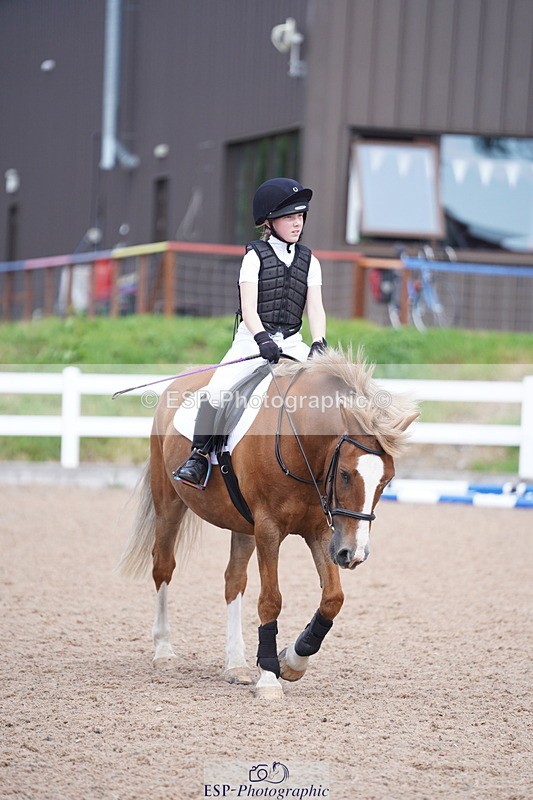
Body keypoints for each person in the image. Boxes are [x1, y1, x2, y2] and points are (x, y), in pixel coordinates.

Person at [173, 177, 327, 489]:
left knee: (329, 390)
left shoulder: (310, 260)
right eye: (289, 218)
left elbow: (315, 308)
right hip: (253, 340)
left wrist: (320, 342)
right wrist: (261, 338)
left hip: (293, 342)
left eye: (300, 217)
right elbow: (249, 309)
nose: (297, 224)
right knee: (218, 391)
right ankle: (199, 457)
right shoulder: (254, 257)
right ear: (269, 222)